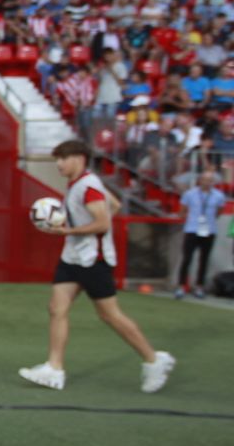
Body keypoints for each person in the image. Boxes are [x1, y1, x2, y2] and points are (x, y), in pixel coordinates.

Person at [19, 141, 175, 393]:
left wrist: (67, 230)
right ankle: (54, 369)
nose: (58, 164)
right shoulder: (83, 184)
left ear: (79, 158)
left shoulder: (87, 186)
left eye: (62, 159)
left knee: (109, 315)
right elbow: (113, 205)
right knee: (57, 308)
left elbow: (102, 223)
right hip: (73, 257)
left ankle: (154, 360)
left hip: (94, 260)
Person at [176, 170, 227, 299]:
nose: (207, 183)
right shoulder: (190, 194)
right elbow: (182, 210)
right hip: (192, 229)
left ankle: (199, 286)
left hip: (209, 230)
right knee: (187, 258)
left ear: (214, 182)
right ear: (200, 180)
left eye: (210, 180)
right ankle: (181, 286)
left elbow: (219, 212)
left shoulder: (218, 196)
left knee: (204, 259)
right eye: (205, 180)